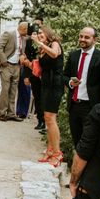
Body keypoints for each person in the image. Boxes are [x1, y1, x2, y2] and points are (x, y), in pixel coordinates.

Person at [64, 26, 100, 147]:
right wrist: (70, 83)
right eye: (81, 36)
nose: (82, 39)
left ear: (95, 39)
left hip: (91, 106)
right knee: (76, 141)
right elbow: (64, 76)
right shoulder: (74, 55)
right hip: (74, 105)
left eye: (87, 37)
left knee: (89, 144)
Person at [31, 26, 64, 167]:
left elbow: (55, 54)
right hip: (45, 84)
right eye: (38, 34)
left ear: (48, 34)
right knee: (47, 118)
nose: (39, 35)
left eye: (41, 33)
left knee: (51, 118)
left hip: (54, 84)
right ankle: (50, 150)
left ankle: (57, 153)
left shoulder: (54, 44)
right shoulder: (43, 48)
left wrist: (39, 43)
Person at [0, 21, 28, 122]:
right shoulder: (9, 34)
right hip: (6, 65)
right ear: (23, 29)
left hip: (17, 66)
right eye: (27, 30)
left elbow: (21, 51)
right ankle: (2, 113)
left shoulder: (24, 38)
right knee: (5, 89)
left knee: (13, 90)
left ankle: (11, 113)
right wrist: (4, 61)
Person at [22, 18, 44, 130]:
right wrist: (26, 75)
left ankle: (46, 120)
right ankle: (40, 120)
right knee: (37, 97)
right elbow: (26, 58)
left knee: (45, 97)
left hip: (45, 73)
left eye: (39, 25)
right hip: (33, 73)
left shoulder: (47, 41)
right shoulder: (29, 41)